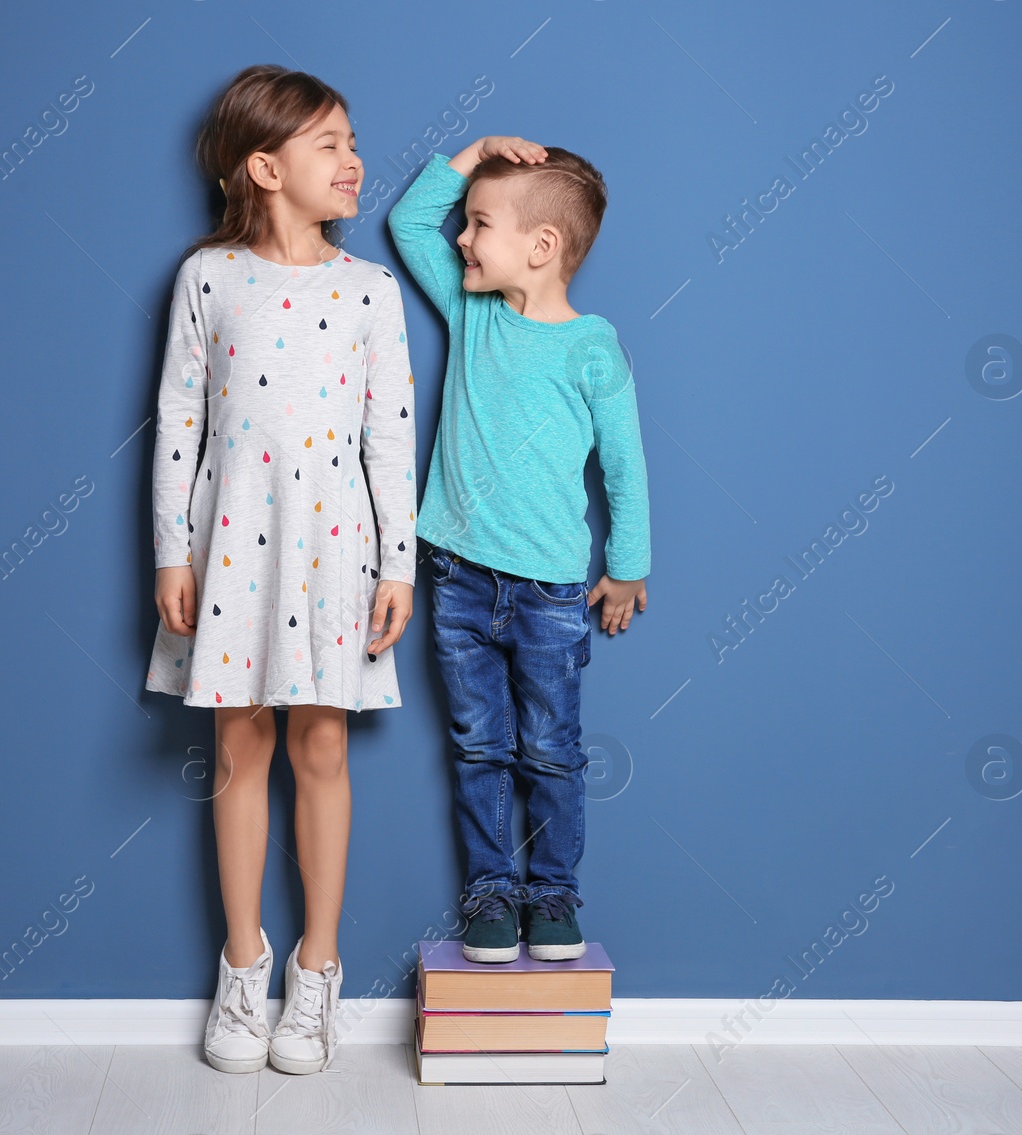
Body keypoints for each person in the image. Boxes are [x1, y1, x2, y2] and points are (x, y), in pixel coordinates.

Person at [146, 64, 417, 1073]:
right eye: (329, 144)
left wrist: (400, 562)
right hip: (229, 546)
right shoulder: (206, 277)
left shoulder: (369, 289)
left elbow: (390, 436)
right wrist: (172, 549)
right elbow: (179, 418)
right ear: (264, 167)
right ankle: (241, 969)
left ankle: (317, 975)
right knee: (240, 750)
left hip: (335, 548)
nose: (353, 161)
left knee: (321, 751)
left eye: (352, 141)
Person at [388, 136, 650, 963]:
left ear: (541, 248)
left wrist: (628, 565)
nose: (461, 239)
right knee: (478, 746)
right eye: (466, 225)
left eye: (480, 225)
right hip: (458, 578)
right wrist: (473, 154)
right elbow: (407, 219)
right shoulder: (472, 310)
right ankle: (491, 892)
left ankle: (554, 894)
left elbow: (624, 462)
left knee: (550, 750)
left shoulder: (591, 345)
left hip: (550, 594)